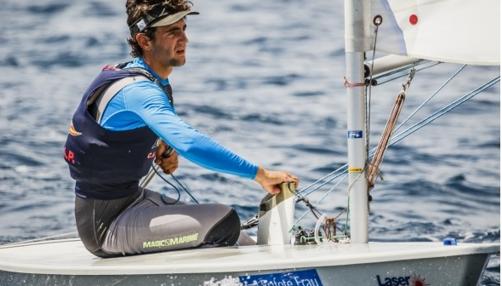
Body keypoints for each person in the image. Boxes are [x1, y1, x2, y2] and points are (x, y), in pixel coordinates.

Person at [64, 0, 298, 258]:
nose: (184, 38)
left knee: (244, 241)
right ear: (144, 41)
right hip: (107, 227)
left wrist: (161, 147)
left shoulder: (147, 79)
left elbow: (121, 134)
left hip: (133, 202)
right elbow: (190, 143)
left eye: (184, 28)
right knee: (224, 221)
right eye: (172, 32)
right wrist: (261, 174)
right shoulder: (137, 90)